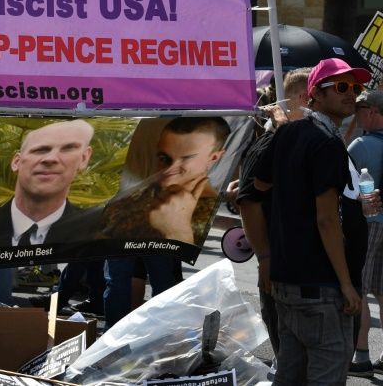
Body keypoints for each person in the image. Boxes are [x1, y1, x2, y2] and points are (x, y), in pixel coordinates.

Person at [254, 57, 368, 385]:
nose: (351, 94)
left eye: (356, 88)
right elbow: (326, 220)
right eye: (341, 87)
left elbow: (259, 186)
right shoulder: (325, 142)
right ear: (315, 93)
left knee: (291, 373)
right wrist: (346, 284)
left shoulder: (290, 133)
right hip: (319, 284)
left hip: (287, 280)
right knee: (327, 372)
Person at [236, 67, 310, 378]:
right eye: (314, 97)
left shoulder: (301, 140)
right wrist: (265, 258)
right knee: (289, 354)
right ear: (301, 99)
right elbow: (249, 202)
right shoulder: (270, 143)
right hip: (279, 265)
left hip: (302, 266)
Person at [0, 119, 94, 251]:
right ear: (16, 162)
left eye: (67, 149)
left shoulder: (97, 234)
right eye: (40, 150)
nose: (51, 158)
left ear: (84, 158)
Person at [98, 116, 230, 245]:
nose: (168, 170)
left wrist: (177, 231)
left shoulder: (210, 215)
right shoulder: (142, 191)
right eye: (164, 157)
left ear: (213, 158)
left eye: (186, 158)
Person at [348, 90, 383, 377]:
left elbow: (344, 187)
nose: (356, 113)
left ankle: (361, 358)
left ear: (372, 112)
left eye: (360, 109)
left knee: (358, 290)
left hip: (368, 223)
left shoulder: (361, 145)